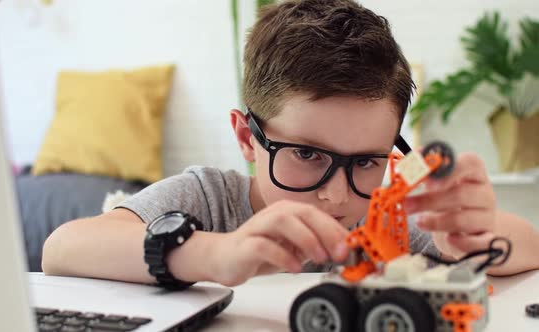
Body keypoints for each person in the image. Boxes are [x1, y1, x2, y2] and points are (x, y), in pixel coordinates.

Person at [42, 0, 539, 288]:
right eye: (307, 154)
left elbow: (529, 246)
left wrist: (472, 236)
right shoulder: (206, 200)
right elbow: (64, 249)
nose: (338, 196)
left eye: (367, 161)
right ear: (245, 137)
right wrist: (214, 255)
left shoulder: (386, 212)